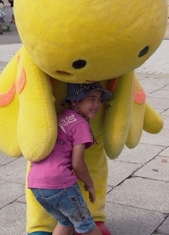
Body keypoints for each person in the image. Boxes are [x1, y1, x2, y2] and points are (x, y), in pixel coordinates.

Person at [27, 82, 112, 235]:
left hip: (36, 184)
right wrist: (90, 184)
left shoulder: (62, 116)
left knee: (66, 221)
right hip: (60, 184)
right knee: (87, 226)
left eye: (99, 99)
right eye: (91, 99)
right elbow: (77, 163)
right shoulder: (80, 125)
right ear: (75, 101)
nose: (97, 104)